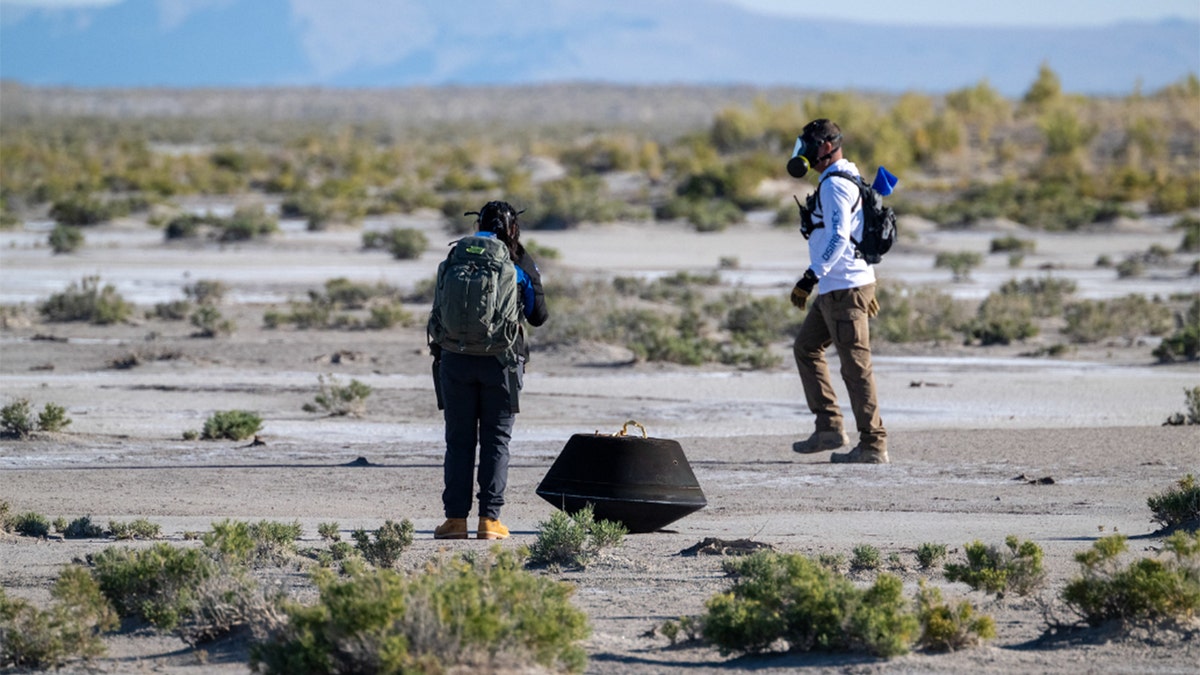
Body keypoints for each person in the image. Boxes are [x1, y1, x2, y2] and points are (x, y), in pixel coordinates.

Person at [430, 201, 549, 539]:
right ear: (513, 228)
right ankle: (489, 521)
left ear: (477, 225)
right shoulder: (518, 263)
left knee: (459, 442)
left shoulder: (456, 256)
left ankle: (454, 521)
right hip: (502, 364)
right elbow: (538, 315)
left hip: (453, 359)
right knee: (496, 441)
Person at [787, 119, 888, 464]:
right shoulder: (841, 178)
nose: (804, 154)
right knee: (806, 348)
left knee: (856, 368)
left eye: (809, 146)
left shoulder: (835, 186)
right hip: (840, 286)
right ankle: (829, 427)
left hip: (842, 287)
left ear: (827, 147)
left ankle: (873, 444)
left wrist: (809, 277)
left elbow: (839, 236)